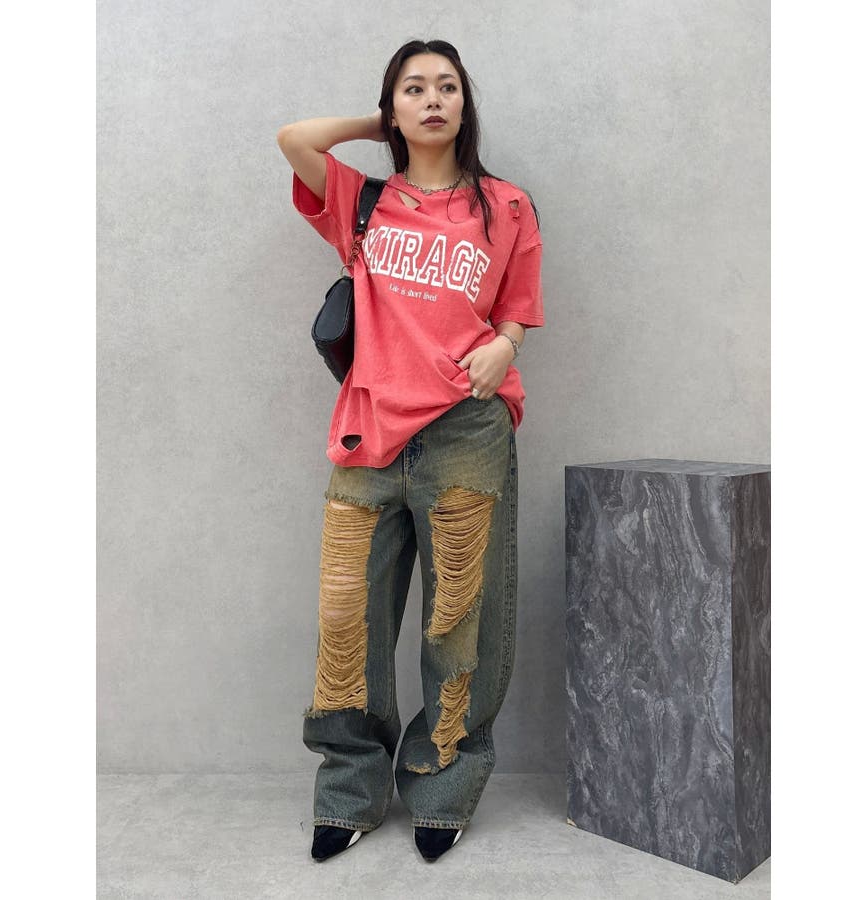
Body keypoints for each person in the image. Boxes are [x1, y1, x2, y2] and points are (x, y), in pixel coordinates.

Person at [276, 39, 544, 863]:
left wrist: (504, 346)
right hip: (367, 433)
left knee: (459, 620)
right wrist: (379, 125)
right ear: (393, 106)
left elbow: (518, 306)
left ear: (467, 104)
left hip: (465, 428)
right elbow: (294, 139)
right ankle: (350, 789)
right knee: (347, 618)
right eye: (414, 89)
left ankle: (442, 783)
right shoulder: (362, 202)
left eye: (447, 87)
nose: (433, 100)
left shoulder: (506, 206)